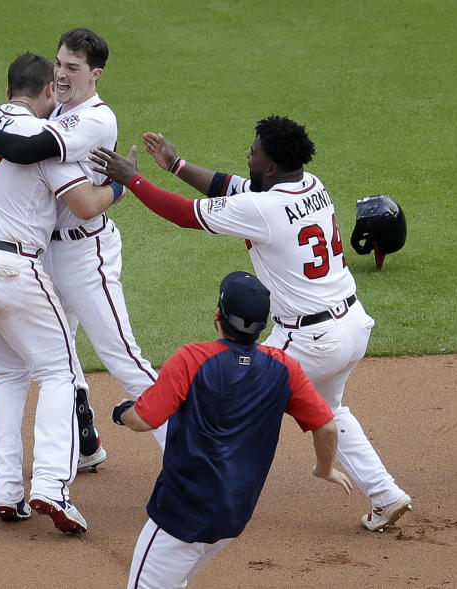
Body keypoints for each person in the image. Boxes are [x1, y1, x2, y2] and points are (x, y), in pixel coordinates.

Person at [90, 115, 413, 532]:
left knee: (226, 396)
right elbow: (233, 188)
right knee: (327, 410)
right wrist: (176, 165)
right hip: (350, 326)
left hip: (309, 338)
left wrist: (133, 180)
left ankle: (199, 493)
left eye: (254, 150)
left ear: (272, 166)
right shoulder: (310, 185)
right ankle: (386, 494)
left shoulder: (264, 207)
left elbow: (188, 214)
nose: (248, 154)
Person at [0, 52, 124, 533]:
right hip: (8, 271)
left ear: (7, 92)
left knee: (9, 372)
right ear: (45, 94)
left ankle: (6, 490)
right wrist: (121, 187)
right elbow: (83, 204)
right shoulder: (41, 142)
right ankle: (51, 486)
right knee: (59, 371)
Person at [0, 28, 166, 464]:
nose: (60, 74)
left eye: (73, 68)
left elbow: (30, 148)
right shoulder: (54, 108)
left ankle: (190, 451)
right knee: (60, 351)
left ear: (94, 75)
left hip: (83, 252)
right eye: (58, 64)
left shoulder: (95, 119)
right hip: (44, 252)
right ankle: (86, 441)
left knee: (120, 354)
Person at [112, 271, 352, 588]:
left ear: (218, 316)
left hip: (180, 516)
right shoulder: (285, 368)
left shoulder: (192, 359)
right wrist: (325, 469)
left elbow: (144, 420)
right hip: (232, 516)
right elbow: (326, 427)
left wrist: (122, 412)